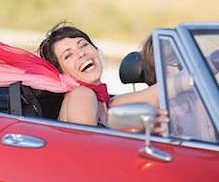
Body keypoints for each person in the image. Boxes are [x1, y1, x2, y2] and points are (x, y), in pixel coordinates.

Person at [38, 21, 169, 133]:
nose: (81, 53)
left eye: (83, 45)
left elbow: (162, 91)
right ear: (62, 72)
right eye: (68, 55)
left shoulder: (106, 102)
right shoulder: (82, 95)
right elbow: (86, 151)